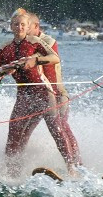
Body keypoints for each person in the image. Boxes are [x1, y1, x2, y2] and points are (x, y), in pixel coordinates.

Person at [0, 9, 81, 175]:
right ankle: (12, 171)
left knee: (56, 128)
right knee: (14, 132)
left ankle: (72, 168)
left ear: (28, 26)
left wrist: (35, 60)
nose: (19, 27)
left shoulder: (35, 42)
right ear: (10, 26)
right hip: (24, 95)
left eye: (23, 25)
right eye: (16, 24)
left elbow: (55, 58)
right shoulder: (4, 49)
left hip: (44, 92)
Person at [28, 11, 80, 162]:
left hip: (57, 94)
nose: (23, 30)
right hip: (35, 95)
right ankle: (15, 166)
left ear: (36, 26)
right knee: (23, 131)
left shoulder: (48, 41)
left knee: (60, 127)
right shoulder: (24, 42)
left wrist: (32, 59)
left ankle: (76, 164)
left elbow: (46, 57)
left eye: (26, 26)